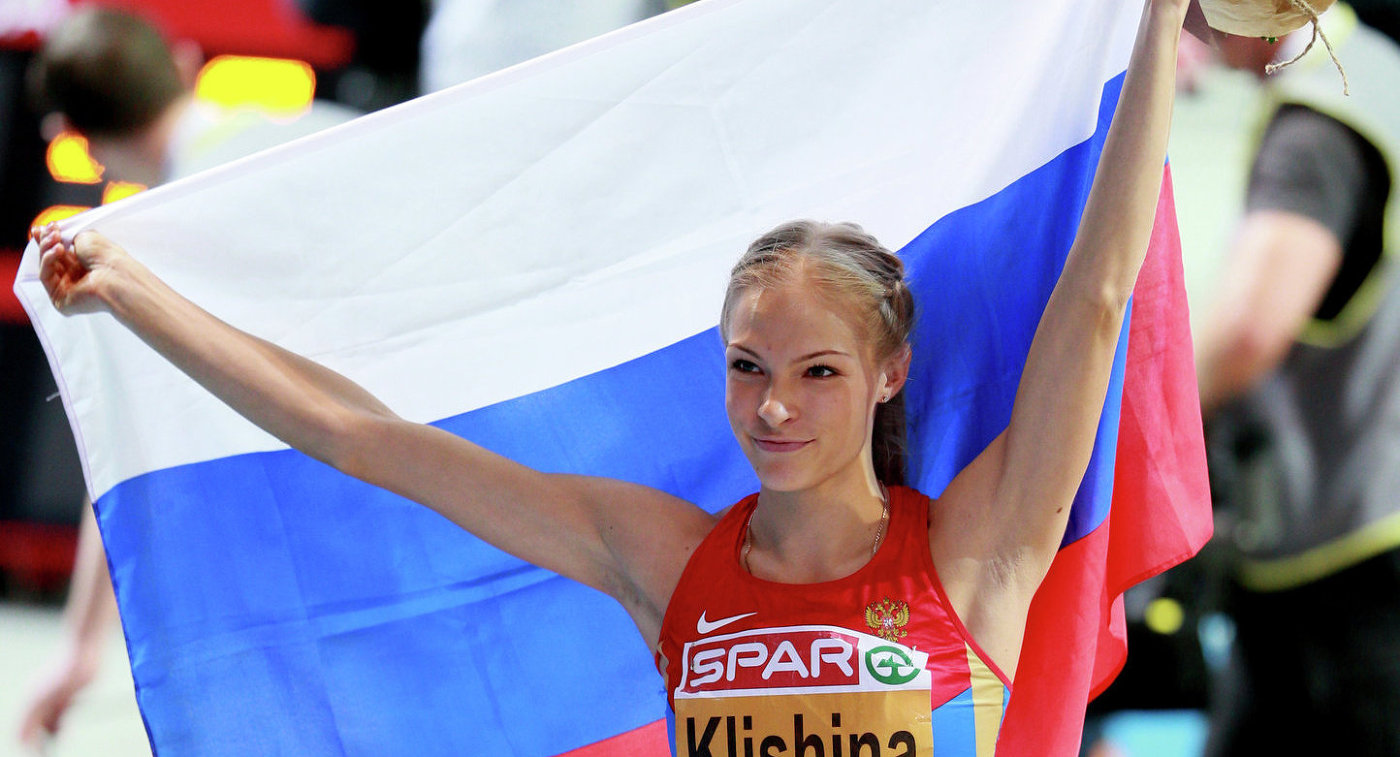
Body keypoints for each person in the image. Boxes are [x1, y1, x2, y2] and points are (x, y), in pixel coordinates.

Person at [30, 0, 1192, 750]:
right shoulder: (664, 558)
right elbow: (360, 435)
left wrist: (1150, 19)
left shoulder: (973, 550)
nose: (773, 404)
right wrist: (133, 295)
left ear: (889, 374)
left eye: (816, 371)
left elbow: (1095, 300)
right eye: (746, 366)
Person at [16, 8, 357, 749]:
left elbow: (128, 439)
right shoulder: (329, 127)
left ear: (72, 136)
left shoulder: (161, 235)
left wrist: (78, 646)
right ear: (185, 61)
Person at [1194, 5, 1400, 755]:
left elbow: (1247, 334)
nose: (1191, 28)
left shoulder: (1318, 125)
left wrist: (1124, 428)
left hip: (1347, 556)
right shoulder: (1370, 73)